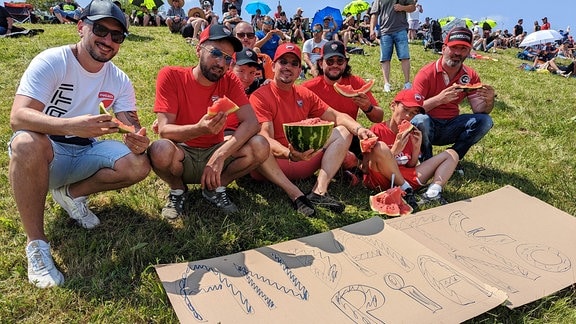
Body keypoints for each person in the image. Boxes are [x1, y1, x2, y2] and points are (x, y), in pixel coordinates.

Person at [9, 0, 150, 288]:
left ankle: (72, 195)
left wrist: (138, 139)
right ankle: (36, 245)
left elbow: (131, 124)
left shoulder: (119, 80)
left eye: (117, 35)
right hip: (46, 155)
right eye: (100, 29)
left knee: (138, 164)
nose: (108, 40)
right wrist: (71, 125)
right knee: (25, 143)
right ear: (81, 27)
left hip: (85, 151)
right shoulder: (53, 61)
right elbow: (18, 116)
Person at [148, 24, 269, 220]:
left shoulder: (230, 80)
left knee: (261, 145)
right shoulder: (171, 75)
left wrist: (220, 155)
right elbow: (164, 131)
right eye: (215, 53)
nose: (222, 63)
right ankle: (178, 189)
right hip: (181, 153)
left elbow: (252, 123)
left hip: (215, 152)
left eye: (228, 58)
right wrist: (199, 129)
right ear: (198, 49)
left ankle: (216, 187)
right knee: (159, 149)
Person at [249, 43, 376, 216]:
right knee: (258, 143)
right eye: (283, 62)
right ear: (273, 66)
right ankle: (295, 194)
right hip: (273, 166)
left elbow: (337, 116)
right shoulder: (260, 96)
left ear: (299, 69)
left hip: (304, 158)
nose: (288, 67)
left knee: (344, 131)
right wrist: (289, 154)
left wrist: (359, 129)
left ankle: (319, 191)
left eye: (294, 64)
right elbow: (265, 137)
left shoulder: (304, 94)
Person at [411, 27, 495, 162]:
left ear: (469, 52)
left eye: (463, 49)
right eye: (454, 47)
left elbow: (479, 110)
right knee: (421, 120)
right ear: (444, 48)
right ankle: (426, 159)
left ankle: (452, 158)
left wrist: (489, 101)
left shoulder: (470, 76)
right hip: (428, 125)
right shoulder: (425, 74)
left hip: (452, 125)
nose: (458, 53)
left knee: (486, 121)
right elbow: (412, 112)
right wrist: (439, 100)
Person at [363, 89, 459, 206]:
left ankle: (432, 193)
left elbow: (410, 166)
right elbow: (366, 167)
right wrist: (394, 150)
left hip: (406, 178)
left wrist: (416, 148)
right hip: (381, 180)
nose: (408, 116)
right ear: (393, 106)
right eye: (405, 109)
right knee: (380, 147)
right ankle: (407, 190)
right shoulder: (377, 130)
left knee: (452, 154)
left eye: (414, 113)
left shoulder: (411, 132)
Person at [303, 40, 384, 160]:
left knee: (377, 150)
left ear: (345, 63)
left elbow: (379, 118)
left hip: (350, 136)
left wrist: (368, 107)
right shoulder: (308, 88)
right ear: (321, 63)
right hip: (319, 140)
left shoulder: (356, 83)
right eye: (330, 61)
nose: (335, 65)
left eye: (340, 61)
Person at [370, 0, 416, 92]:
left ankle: (407, 83)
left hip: (401, 29)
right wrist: (372, 29)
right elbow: (374, 14)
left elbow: (413, 7)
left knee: (405, 56)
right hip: (385, 31)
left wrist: (402, 8)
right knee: (385, 59)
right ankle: (386, 84)